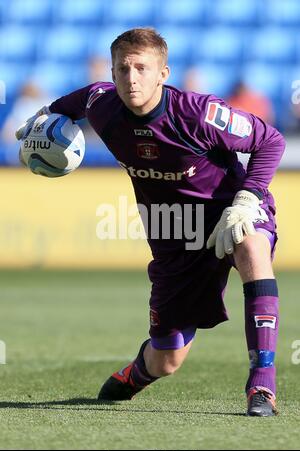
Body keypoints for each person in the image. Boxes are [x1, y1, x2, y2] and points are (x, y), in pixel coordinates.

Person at [16, 28, 285, 417]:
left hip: (232, 208)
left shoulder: (197, 113)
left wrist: (247, 199)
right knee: (167, 359)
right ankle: (136, 374)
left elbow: (270, 140)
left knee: (251, 244)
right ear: (112, 72)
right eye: (123, 69)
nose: (132, 78)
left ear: (163, 73)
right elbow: (71, 103)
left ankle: (262, 385)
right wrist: (44, 120)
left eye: (142, 68)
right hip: (173, 231)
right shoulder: (100, 103)